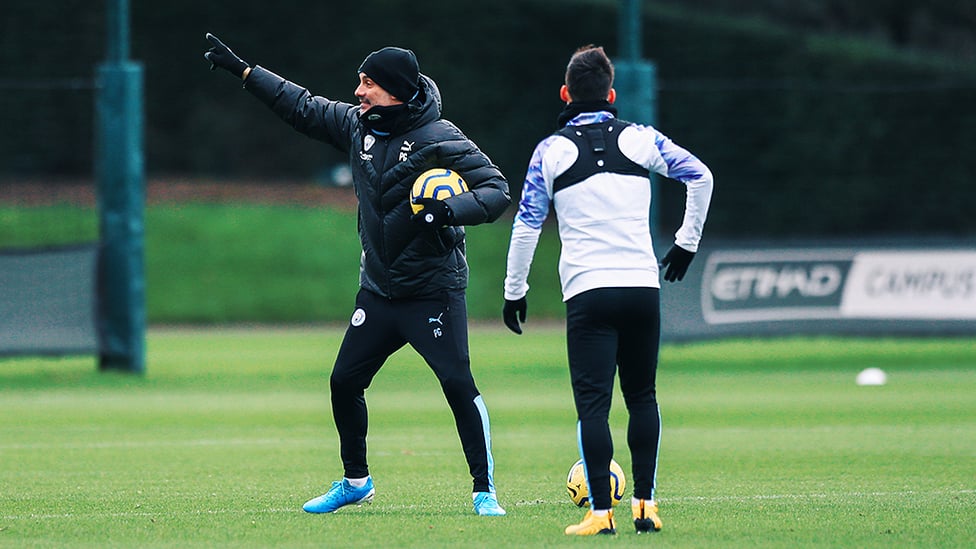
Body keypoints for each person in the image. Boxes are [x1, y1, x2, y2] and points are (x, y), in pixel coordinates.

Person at [204, 33, 511, 516]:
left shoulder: (440, 137)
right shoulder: (357, 127)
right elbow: (300, 105)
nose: (358, 92)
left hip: (432, 292)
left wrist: (447, 210)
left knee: (456, 383)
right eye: (359, 81)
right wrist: (245, 72)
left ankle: (484, 491)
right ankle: (356, 482)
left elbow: (496, 191)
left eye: (368, 83)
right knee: (344, 381)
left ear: (396, 90)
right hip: (379, 293)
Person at [501, 45, 713, 535]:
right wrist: (686, 244)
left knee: (593, 406)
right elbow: (701, 176)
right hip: (641, 288)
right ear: (612, 94)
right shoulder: (641, 139)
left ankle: (601, 514)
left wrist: (515, 290)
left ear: (565, 94)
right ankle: (646, 506)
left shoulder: (550, 151)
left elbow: (527, 225)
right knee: (643, 397)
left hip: (589, 293)